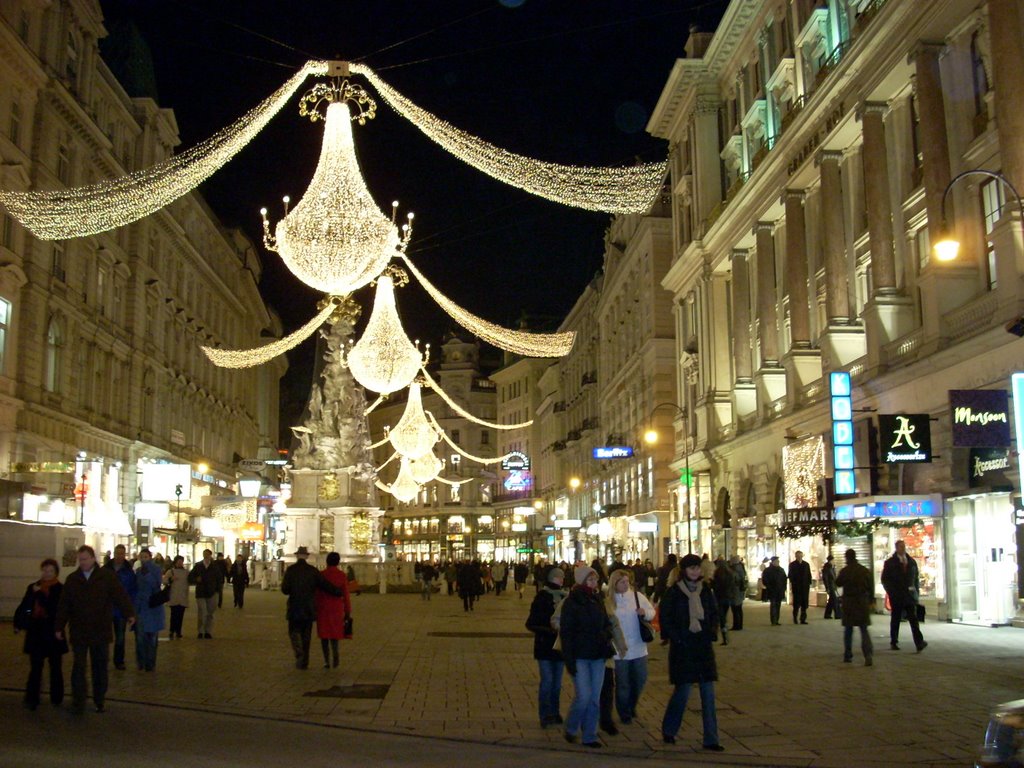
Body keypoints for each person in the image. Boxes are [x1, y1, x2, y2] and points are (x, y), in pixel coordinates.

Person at [55, 545, 135, 714]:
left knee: (99, 667)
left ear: (93, 558)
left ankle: (99, 699)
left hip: (100, 630)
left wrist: (129, 613)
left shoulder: (106, 576)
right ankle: (79, 700)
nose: (82, 563)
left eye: (85, 559)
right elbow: (64, 605)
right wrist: (59, 626)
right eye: (80, 560)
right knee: (79, 667)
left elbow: (120, 595)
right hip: (79, 630)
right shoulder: (73, 579)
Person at [659, 554, 723, 751]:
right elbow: (666, 618)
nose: (695, 572)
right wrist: (678, 637)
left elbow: (713, 613)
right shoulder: (674, 593)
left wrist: (711, 631)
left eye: (697, 568)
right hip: (683, 649)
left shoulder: (706, 591)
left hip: (703, 647)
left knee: (708, 695)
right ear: (683, 570)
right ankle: (669, 730)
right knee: (682, 692)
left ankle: (711, 739)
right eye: (691, 568)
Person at [558, 566, 614, 748]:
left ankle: (590, 735)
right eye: (590, 580)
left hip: (598, 654)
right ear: (581, 581)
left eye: (595, 580)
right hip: (580, 655)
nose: (594, 583)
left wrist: (606, 635)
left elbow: (606, 623)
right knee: (584, 696)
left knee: (594, 698)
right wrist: (569, 659)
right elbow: (566, 633)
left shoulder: (597, 599)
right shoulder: (572, 602)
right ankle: (572, 727)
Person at [16, 558, 67, 709]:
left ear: (55, 572)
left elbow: (55, 609)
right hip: (36, 632)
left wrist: (40, 596)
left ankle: (56, 697)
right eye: (45, 570)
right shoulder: (33, 587)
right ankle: (32, 698)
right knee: (35, 667)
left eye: (50, 571)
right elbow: (25, 606)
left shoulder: (59, 589)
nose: (47, 574)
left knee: (55, 667)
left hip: (52, 632)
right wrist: (19, 623)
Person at [607, 569, 655, 725]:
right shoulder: (609, 601)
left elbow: (652, 612)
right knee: (623, 683)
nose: (625, 584)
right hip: (619, 650)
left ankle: (631, 704)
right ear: (615, 584)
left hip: (638, 647)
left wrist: (645, 613)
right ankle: (624, 712)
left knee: (640, 679)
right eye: (622, 582)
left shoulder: (637, 597)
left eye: (627, 581)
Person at [281, 546, 342, 669]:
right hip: (308, 608)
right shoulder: (312, 571)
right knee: (306, 636)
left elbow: (285, 590)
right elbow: (325, 585)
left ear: (297, 556)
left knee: (293, 632)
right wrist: (337, 591)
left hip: (294, 606)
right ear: (307, 556)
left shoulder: (291, 570)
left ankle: (299, 652)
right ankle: (305, 662)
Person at [525, 565, 567, 728]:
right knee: (548, 681)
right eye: (558, 577)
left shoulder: (565, 596)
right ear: (551, 578)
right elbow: (531, 623)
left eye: (562, 577)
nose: (561, 579)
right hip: (544, 646)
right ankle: (544, 714)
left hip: (559, 646)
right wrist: (549, 631)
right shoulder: (542, 597)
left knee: (557, 683)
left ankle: (555, 712)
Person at [881, 540, 927, 652]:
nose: (903, 548)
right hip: (897, 596)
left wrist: (916, 593)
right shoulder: (890, 563)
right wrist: (891, 592)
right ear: (896, 548)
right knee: (896, 619)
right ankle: (894, 641)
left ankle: (919, 642)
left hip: (909, 596)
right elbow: (885, 580)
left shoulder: (911, 561)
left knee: (913, 619)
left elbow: (915, 578)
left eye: (903, 546)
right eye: (900, 547)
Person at [836, 548, 874, 665]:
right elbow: (870, 586)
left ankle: (848, 654)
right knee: (863, 629)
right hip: (862, 602)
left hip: (849, 602)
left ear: (846, 557)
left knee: (848, 629)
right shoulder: (864, 570)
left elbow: (838, 583)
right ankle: (868, 654)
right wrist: (871, 600)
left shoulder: (845, 571)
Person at [315, 552, 352, 669]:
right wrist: (347, 610)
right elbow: (346, 595)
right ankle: (336, 657)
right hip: (336, 609)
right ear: (338, 562)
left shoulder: (322, 575)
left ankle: (326, 660)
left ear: (327, 561)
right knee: (334, 634)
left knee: (324, 635)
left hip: (323, 608)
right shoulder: (341, 575)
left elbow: (316, 594)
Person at [103, 544, 136, 671]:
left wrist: (129, 608)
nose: (119, 556)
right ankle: (103, 658)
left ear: (124, 555)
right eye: (117, 553)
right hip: (106, 608)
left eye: (122, 554)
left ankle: (119, 660)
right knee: (104, 636)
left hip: (121, 610)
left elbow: (132, 591)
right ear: (114, 554)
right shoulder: (106, 570)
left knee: (120, 637)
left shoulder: (129, 572)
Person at [132, 548, 164, 671]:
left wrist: (148, 575)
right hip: (141, 607)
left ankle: (150, 663)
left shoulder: (155, 569)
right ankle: (141, 662)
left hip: (153, 607)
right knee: (140, 637)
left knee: (152, 638)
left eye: (146, 556)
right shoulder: (138, 571)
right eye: (142, 556)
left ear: (150, 557)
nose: (144, 559)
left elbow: (157, 586)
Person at [188, 549, 223, 639]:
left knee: (210, 612)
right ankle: (200, 631)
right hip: (201, 592)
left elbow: (219, 579)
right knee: (202, 612)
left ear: (210, 556)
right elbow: (190, 577)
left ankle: (208, 631)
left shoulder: (215, 566)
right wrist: (196, 579)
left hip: (212, 592)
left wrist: (217, 590)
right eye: (205, 554)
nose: (206, 556)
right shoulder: (198, 566)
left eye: (208, 555)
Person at [711, 557, 734, 645]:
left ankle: (719, 636)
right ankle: (725, 637)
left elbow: (716, 586)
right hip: (727, 598)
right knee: (723, 617)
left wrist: (711, 583)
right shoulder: (730, 573)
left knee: (719, 618)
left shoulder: (718, 573)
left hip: (719, 597)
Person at [165, 555, 189, 639]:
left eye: (181, 561)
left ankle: (178, 631)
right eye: (178, 561)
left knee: (180, 615)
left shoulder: (186, 572)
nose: (180, 563)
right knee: (174, 614)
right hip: (173, 596)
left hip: (182, 596)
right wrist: (171, 579)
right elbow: (165, 581)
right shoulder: (170, 571)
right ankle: (172, 630)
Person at [787, 551, 812, 624]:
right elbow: (790, 575)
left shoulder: (806, 564)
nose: (799, 557)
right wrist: (793, 583)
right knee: (796, 604)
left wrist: (809, 583)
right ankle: (795, 618)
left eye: (800, 556)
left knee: (804, 604)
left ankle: (803, 619)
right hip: (797, 587)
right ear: (796, 556)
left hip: (805, 587)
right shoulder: (792, 565)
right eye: (798, 556)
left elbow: (809, 575)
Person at [762, 556, 787, 626]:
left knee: (778, 606)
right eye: (776, 561)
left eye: (778, 561)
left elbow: (784, 579)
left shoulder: (781, 570)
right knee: (773, 605)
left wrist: (783, 588)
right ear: (773, 562)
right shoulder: (767, 570)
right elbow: (765, 580)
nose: (778, 562)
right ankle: (773, 620)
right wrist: (770, 587)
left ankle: (777, 620)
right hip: (772, 591)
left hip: (779, 591)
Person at [728, 555, 747, 630]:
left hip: (735, 591)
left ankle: (736, 625)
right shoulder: (741, 567)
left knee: (735, 609)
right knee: (739, 608)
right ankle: (739, 625)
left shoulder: (734, 569)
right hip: (740, 590)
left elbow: (733, 580)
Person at [821, 554, 841, 620]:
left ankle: (827, 614)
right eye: (833, 560)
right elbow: (825, 578)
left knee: (831, 601)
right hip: (830, 586)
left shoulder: (832, 567)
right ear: (830, 560)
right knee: (835, 600)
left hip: (833, 586)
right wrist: (827, 588)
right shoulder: (827, 568)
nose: (834, 561)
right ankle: (838, 614)